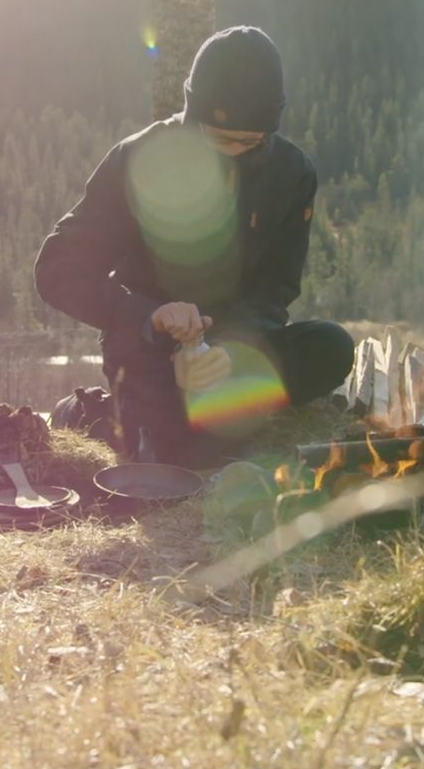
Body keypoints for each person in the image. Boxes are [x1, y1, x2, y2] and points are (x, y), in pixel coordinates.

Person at [35, 25, 355, 468]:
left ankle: (217, 404)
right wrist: (149, 315)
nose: (236, 154)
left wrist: (224, 350)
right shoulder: (137, 160)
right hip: (145, 348)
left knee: (331, 347)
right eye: (222, 139)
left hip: (234, 349)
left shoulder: (292, 173)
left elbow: (275, 288)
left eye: (252, 142)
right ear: (194, 114)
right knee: (187, 454)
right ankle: (92, 412)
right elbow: (56, 268)